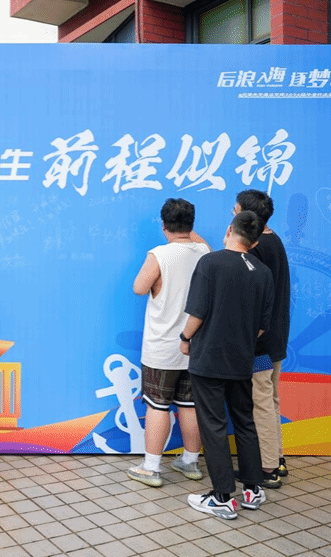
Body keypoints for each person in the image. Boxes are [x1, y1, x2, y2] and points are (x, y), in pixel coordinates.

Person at [180, 211, 274, 520]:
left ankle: (221, 496)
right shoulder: (263, 272)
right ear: (255, 242)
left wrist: (185, 338)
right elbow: (262, 326)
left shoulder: (210, 263)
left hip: (208, 358)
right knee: (244, 421)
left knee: (213, 425)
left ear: (228, 230)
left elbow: (197, 312)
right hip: (242, 359)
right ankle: (252, 489)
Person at [128, 198, 210, 488]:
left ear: (163, 225)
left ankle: (151, 467)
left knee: (158, 405)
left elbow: (139, 288)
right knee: (189, 405)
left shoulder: (159, 254)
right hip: (195, 345)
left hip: (162, 347)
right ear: (191, 224)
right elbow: (199, 242)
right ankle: (190, 461)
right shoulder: (204, 252)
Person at [235, 190, 291, 487]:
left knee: (261, 401)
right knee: (270, 398)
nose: (232, 214)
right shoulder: (274, 240)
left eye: (235, 210)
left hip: (261, 342)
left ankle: (267, 468)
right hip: (275, 338)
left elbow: (252, 300)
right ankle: (276, 458)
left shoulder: (256, 249)